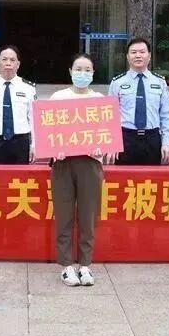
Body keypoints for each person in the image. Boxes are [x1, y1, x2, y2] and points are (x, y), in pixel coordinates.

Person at [49, 54, 106, 287]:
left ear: (93, 73)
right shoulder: (58, 97)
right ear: (70, 71)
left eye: (87, 70)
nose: (83, 74)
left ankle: (85, 265)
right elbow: (47, 129)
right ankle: (66, 266)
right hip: (63, 164)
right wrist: (55, 148)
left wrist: (101, 146)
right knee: (64, 215)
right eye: (78, 69)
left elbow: (106, 132)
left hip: (90, 163)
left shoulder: (100, 100)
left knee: (88, 216)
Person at [107, 38, 169, 165]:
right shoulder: (117, 83)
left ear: (149, 56)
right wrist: (112, 143)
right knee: (124, 176)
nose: (138, 55)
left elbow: (166, 115)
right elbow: (111, 116)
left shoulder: (159, 82)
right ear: (127, 57)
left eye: (142, 52)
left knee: (151, 177)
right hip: (125, 138)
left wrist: (166, 143)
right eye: (133, 52)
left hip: (152, 138)